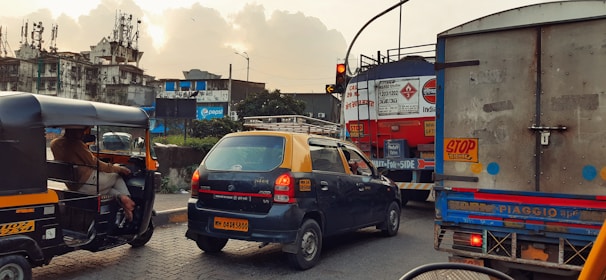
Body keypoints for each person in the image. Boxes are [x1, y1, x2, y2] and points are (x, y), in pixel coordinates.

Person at [50, 127, 136, 221]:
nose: (83, 133)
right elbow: (95, 163)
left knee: (108, 188)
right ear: (74, 130)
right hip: (87, 182)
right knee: (116, 176)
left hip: (72, 185)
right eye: (81, 131)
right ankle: (129, 201)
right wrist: (119, 168)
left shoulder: (54, 143)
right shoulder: (77, 144)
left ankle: (121, 197)